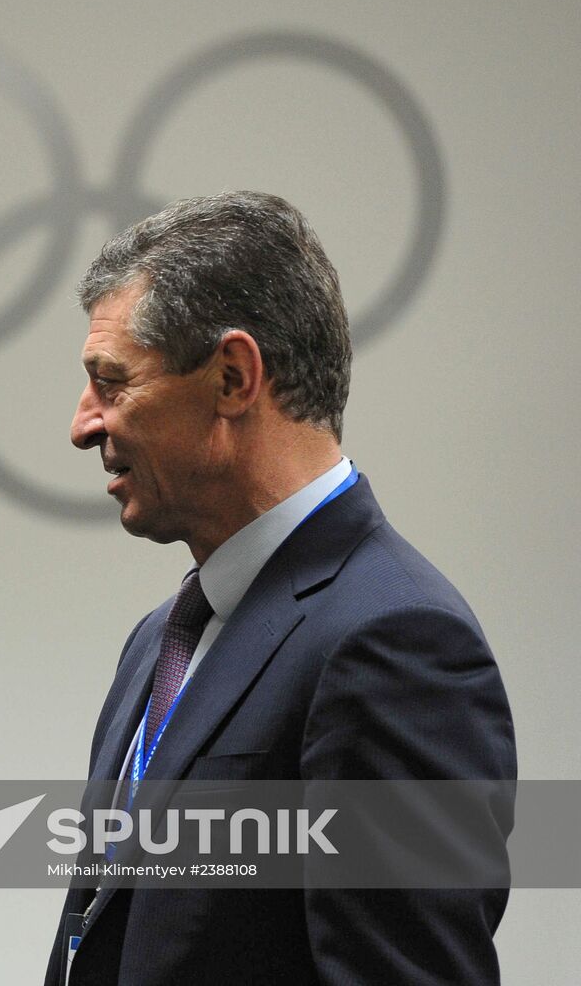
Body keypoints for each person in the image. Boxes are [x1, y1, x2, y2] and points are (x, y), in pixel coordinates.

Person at [45, 192, 514, 985]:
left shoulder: (396, 642)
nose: (83, 424)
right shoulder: (165, 637)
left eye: (112, 383)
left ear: (233, 376)